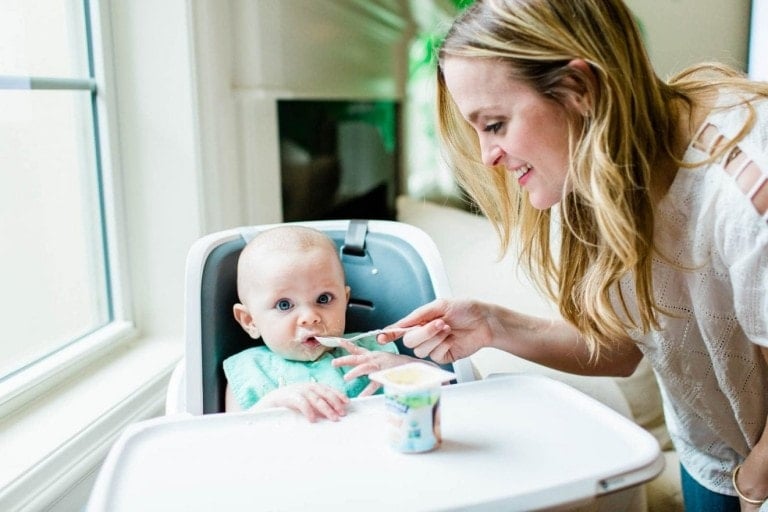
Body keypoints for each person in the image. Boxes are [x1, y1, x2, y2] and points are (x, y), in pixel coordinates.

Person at [379, 1, 768, 510]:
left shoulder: (745, 195)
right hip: (713, 453)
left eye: (494, 124)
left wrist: (752, 488)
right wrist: (492, 325)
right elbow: (626, 348)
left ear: (578, 90)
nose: (486, 156)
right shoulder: (596, 172)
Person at [223, 225, 419, 422]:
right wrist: (272, 404)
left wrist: (403, 367)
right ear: (250, 321)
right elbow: (232, 438)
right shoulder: (248, 372)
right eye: (284, 305)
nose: (309, 317)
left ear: (345, 300)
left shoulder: (372, 353)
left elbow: (442, 391)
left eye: (324, 299)